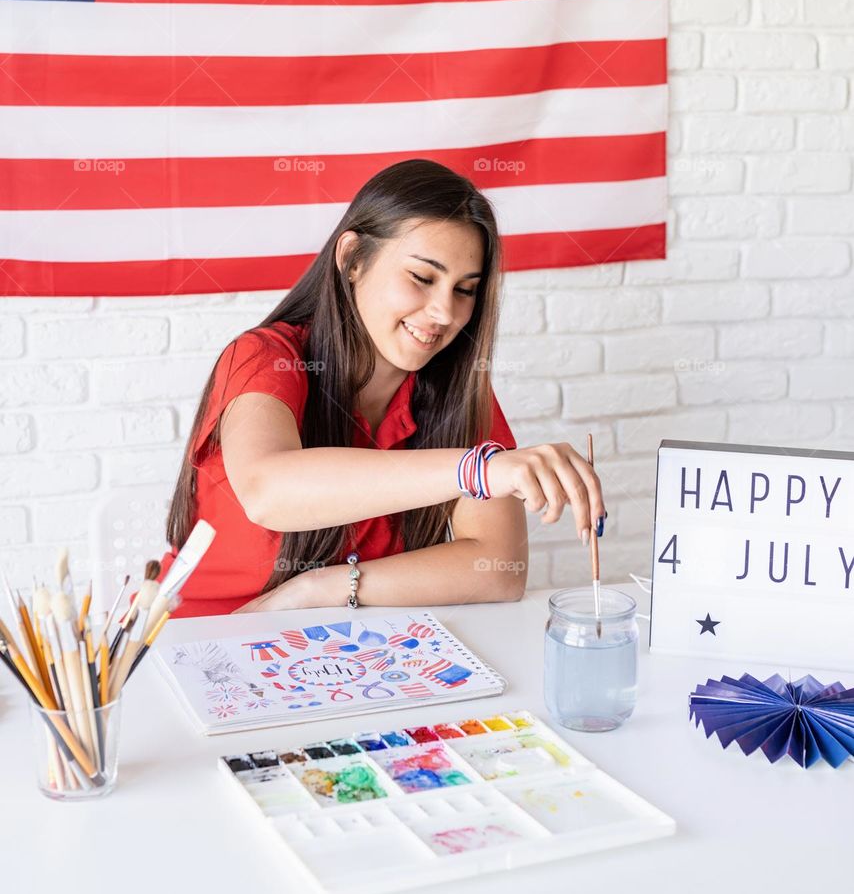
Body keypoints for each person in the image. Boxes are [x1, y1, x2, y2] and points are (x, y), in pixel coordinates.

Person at [158, 159, 606, 615]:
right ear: (352, 259)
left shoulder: (456, 386)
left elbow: (498, 569)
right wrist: (477, 470)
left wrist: (322, 588)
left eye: (464, 290)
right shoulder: (266, 357)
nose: (444, 313)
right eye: (422, 278)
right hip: (198, 642)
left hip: (338, 650)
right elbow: (266, 491)